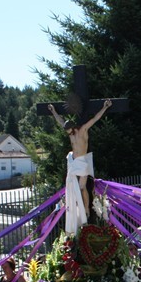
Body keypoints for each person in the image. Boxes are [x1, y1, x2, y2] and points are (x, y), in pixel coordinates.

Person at [47, 100, 113, 233]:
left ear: (73, 127)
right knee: (72, 187)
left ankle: (87, 208)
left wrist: (104, 107)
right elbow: (61, 122)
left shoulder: (83, 130)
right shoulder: (70, 132)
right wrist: (53, 111)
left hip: (82, 162)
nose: (68, 133)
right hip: (74, 163)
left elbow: (95, 119)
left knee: (82, 187)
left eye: (69, 130)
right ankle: (75, 209)